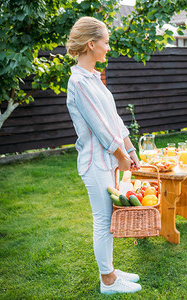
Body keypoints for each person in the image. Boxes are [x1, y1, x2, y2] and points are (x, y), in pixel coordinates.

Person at [66, 16, 142, 294]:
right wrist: (121, 155)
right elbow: (99, 127)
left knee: (108, 219)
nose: (108, 48)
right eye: (106, 43)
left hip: (108, 160)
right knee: (103, 220)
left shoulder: (94, 79)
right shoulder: (80, 83)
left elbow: (114, 119)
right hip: (95, 163)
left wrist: (130, 149)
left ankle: (110, 270)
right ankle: (107, 281)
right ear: (91, 44)